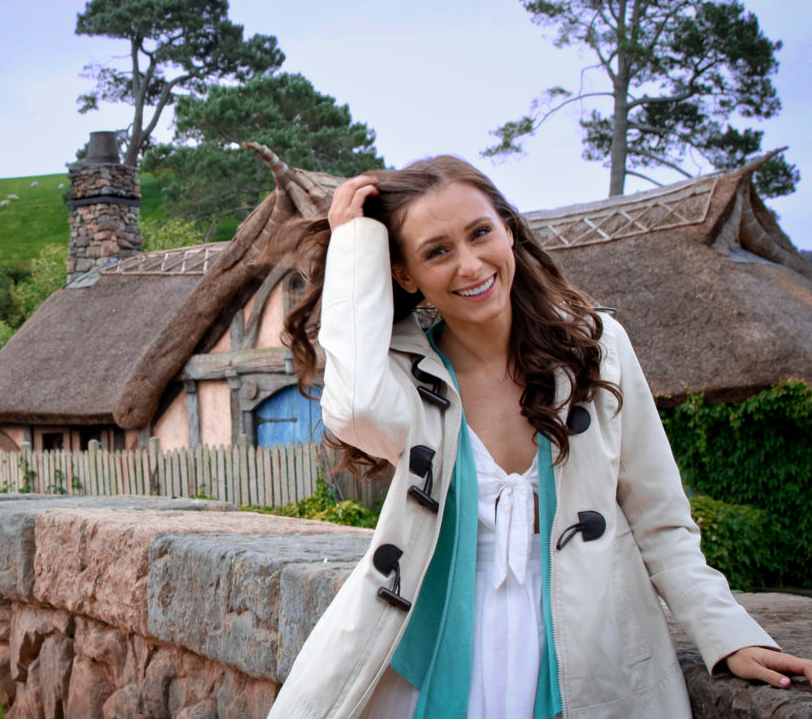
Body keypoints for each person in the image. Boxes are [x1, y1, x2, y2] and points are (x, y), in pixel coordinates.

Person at [266, 156, 812, 718]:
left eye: (481, 233)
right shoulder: (408, 373)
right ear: (405, 275)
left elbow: (659, 517)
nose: (470, 265)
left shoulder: (596, 349)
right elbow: (353, 410)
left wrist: (728, 632)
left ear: (508, 229)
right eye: (436, 251)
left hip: (589, 644)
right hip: (432, 652)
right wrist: (353, 246)